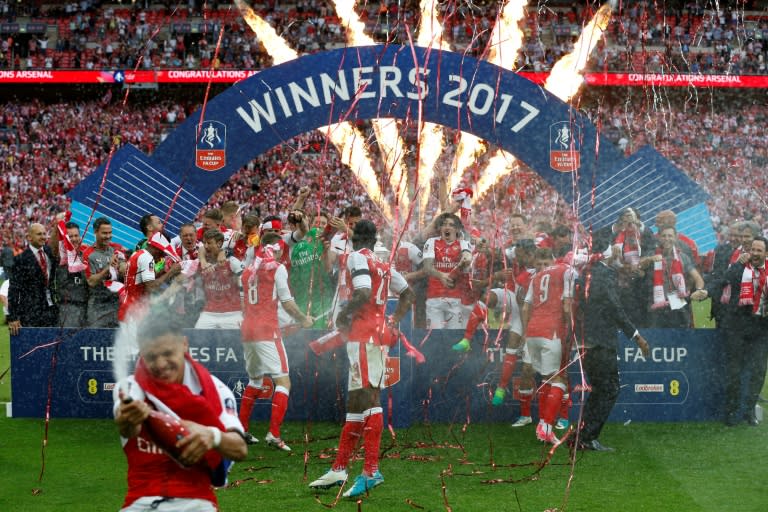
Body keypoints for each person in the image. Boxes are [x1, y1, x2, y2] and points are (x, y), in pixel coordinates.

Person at [309, 220, 415, 498]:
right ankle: (340, 466)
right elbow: (408, 294)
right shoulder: (383, 263)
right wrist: (392, 320)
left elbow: (364, 292)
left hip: (364, 336)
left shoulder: (357, 258)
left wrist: (345, 315)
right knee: (356, 402)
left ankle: (371, 471)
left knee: (369, 399)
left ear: (354, 238)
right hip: (371, 336)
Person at [113, 309, 247, 511]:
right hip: (141, 501)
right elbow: (127, 429)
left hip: (197, 502)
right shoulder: (130, 389)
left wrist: (213, 436)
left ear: (184, 344)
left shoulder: (216, 390)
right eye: (151, 357)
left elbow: (240, 449)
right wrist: (130, 418)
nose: (160, 364)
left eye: (168, 354)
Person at [573, 230, 650, 451]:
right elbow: (614, 308)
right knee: (608, 388)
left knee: (599, 388)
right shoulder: (602, 275)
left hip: (586, 340)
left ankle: (582, 435)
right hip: (599, 342)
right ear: (608, 252)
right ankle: (586, 437)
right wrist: (636, 336)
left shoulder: (587, 273)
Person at [238, 233, 313, 450]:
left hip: (248, 330)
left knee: (255, 380)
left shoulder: (248, 269)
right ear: (277, 248)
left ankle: (241, 429)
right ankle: (274, 433)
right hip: (266, 330)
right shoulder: (277, 268)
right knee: (283, 382)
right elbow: (287, 303)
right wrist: (303, 319)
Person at [519, 248, 577, 445]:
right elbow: (567, 305)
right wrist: (571, 329)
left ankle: (544, 425)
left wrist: (527, 332)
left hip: (533, 332)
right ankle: (546, 426)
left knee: (546, 379)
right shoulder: (565, 271)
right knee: (559, 380)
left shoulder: (536, 277)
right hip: (552, 331)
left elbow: (525, 307)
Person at [719, 236, 768, 426]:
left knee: (758, 371)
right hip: (738, 326)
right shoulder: (739, 267)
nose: (755, 253)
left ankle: (749, 411)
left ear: (765, 253)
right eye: (753, 249)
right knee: (734, 371)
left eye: (759, 250)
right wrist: (707, 292)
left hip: (761, 328)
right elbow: (723, 280)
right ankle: (731, 412)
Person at [644, 226, 708, 328]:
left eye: (670, 236)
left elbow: (698, 278)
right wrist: (650, 259)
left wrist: (699, 289)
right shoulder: (651, 254)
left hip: (678, 304)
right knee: (658, 340)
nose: (667, 239)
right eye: (664, 236)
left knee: (681, 339)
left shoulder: (682, 257)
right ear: (659, 237)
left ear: (675, 237)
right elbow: (639, 266)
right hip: (656, 305)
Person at [422, 213, 473, 330]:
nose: (447, 227)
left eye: (451, 225)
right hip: (435, 298)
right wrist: (441, 275)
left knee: (453, 337)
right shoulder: (431, 242)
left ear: (457, 229)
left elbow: (467, 257)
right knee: (435, 336)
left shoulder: (463, 244)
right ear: (440, 228)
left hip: (455, 299)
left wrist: (465, 260)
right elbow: (427, 268)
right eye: (444, 224)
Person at [6, 223, 59, 335]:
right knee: (33, 348)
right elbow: (14, 289)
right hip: (30, 312)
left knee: (53, 347)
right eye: (39, 234)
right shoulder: (21, 259)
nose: (43, 237)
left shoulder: (50, 253)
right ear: (29, 237)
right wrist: (13, 317)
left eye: (45, 234)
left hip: (51, 309)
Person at [120, 233, 182, 323]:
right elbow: (151, 286)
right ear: (157, 249)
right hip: (134, 311)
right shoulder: (147, 258)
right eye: (163, 253)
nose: (162, 257)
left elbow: (142, 280)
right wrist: (171, 272)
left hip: (130, 307)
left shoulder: (138, 253)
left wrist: (162, 272)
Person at [194, 229, 245, 329]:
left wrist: (243, 301)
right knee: (197, 339)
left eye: (209, 243)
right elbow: (198, 284)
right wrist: (198, 301)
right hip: (208, 313)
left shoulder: (232, 261)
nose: (206, 246)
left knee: (239, 341)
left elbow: (244, 278)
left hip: (233, 312)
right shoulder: (202, 263)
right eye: (204, 243)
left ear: (219, 243)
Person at [83, 217, 126, 327]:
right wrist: (108, 267)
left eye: (110, 233)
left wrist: (123, 267)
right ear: (95, 232)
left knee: (117, 338)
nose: (108, 236)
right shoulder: (88, 254)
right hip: (98, 304)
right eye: (104, 233)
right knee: (97, 337)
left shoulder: (116, 248)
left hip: (117, 302)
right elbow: (91, 282)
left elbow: (125, 268)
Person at [51, 220, 89, 328]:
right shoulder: (60, 256)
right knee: (69, 342)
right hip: (68, 309)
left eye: (76, 235)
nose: (74, 239)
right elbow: (52, 246)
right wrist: (57, 224)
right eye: (70, 236)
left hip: (87, 308)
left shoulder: (86, 255)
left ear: (80, 236)